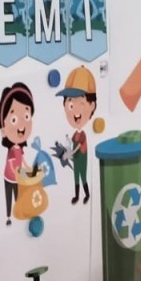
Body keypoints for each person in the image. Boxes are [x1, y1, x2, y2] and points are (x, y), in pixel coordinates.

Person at [56, 66, 97, 205]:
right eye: (71, 105)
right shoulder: (74, 134)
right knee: (75, 178)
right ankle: (77, 196)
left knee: (83, 177)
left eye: (81, 103)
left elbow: (78, 147)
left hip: (81, 160)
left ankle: (87, 194)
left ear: (92, 105)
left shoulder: (83, 134)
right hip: (76, 160)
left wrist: (70, 154)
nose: (75, 111)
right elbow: (71, 144)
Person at [0, 83, 35, 226]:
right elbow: (12, 164)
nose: (21, 125)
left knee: (18, 196)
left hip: (17, 177)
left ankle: (18, 213)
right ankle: (8, 216)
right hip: (9, 177)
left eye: (26, 116)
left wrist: (29, 169)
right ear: (3, 130)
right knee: (9, 196)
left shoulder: (20, 148)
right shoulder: (12, 149)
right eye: (13, 119)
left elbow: (22, 160)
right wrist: (19, 172)